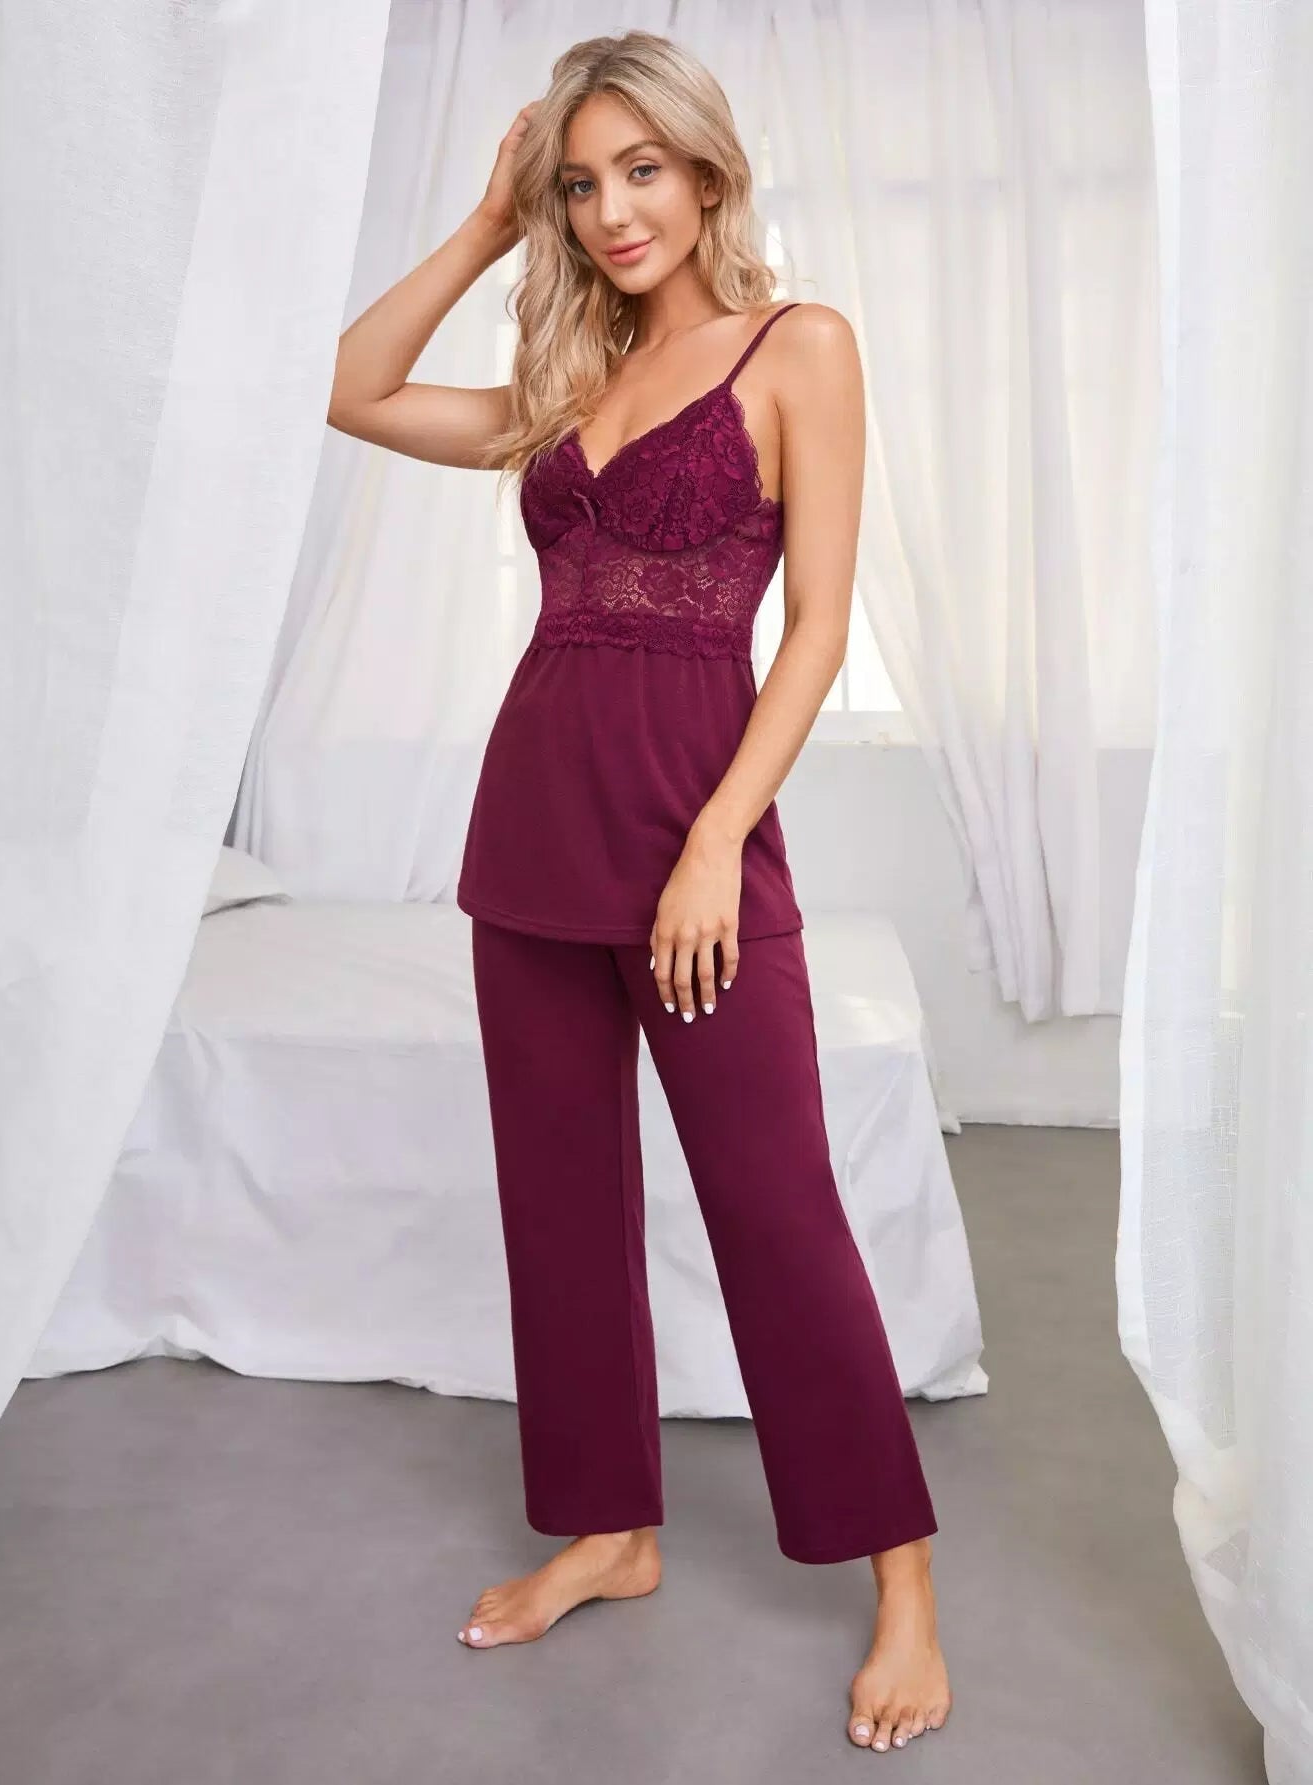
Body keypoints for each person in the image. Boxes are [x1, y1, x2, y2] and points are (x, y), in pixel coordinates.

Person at [327, 29, 951, 1755]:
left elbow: (815, 629)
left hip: (694, 841)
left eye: (642, 171)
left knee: (779, 1210)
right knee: (560, 1204)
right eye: (583, 183)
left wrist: (716, 839)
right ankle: (611, 1531)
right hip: (528, 836)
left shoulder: (799, 346)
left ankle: (903, 1581)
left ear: (706, 168)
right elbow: (354, 386)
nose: (614, 211)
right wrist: (485, 224)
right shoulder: (569, 382)